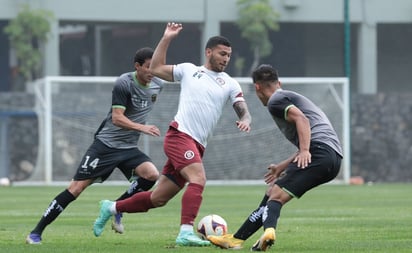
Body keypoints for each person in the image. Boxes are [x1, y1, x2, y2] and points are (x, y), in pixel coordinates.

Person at [92, 22, 252, 247]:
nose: (226, 58)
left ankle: (111, 207)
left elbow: (241, 107)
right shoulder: (189, 70)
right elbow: (156, 68)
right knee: (198, 179)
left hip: (197, 145)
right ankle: (185, 232)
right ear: (209, 52)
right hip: (180, 136)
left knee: (157, 199)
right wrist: (167, 37)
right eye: (222, 53)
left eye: (229, 55)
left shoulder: (230, 83)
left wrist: (245, 118)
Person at [26, 47, 164, 244]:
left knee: (151, 175)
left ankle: (115, 207)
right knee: (76, 188)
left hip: (128, 147)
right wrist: (142, 127)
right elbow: (117, 119)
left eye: (155, 67)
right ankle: (36, 232)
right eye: (149, 67)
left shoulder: (158, 84)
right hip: (105, 145)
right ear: (137, 66)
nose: (152, 72)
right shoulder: (124, 83)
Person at [207, 64, 343, 251]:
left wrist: (304, 151)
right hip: (333, 158)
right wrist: (284, 165)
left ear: (257, 87)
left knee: (276, 196)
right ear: (278, 82)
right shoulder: (285, 96)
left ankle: (269, 231)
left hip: (318, 152)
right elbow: (312, 134)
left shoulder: (275, 100)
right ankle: (236, 239)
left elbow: (301, 120)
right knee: (272, 192)